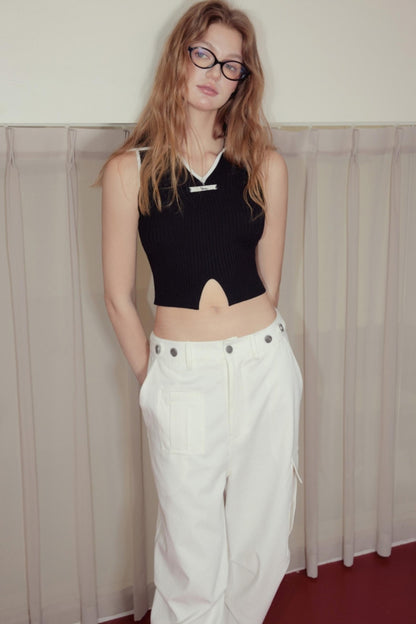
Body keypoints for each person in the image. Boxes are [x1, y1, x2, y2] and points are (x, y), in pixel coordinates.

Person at [97, 1, 302, 622]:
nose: (215, 73)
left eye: (232, 65)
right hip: (181, 374)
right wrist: (154, 380)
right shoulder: (129, 169)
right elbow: (117, 295)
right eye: (204, 55)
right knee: (190, 548)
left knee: (263, 539)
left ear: (243, 80)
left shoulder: (265, 164)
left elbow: (269, 284)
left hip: (264, 366)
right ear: (180, 57)